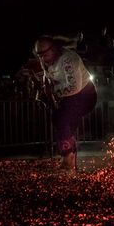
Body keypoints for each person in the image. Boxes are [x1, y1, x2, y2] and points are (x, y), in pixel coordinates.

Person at [33, 35, 98, 171]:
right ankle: (70, 159)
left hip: (85, 95)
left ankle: (68, 157)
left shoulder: (69, 59)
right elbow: (47, 74)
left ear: (54, 49)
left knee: (61, 118)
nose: (43, 58)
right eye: (40, 55)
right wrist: (46, 87)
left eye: (45, 54)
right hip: (68, 97)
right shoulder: (45, 60)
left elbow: (74, 87)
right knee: (62, 122)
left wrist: (53, 91)